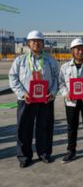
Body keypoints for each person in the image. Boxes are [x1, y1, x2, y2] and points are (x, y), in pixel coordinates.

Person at [9, 30, 59, 168]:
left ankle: (44, 153)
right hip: (26, 100)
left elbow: (57, 77)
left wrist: (53, 92)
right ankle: (24, 156)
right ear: (28, 44)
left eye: (39, 41)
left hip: (46, 100)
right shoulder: (20, 60)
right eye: (33, 41)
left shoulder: (50, 60)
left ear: (43, 44)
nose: (36, 43)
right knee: (24, 128)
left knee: (45, 127)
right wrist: (22, 93)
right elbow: (13, 78)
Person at [59, 38, 83, 163]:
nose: (80, 51)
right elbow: (61, 83)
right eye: (77, 49)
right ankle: (71, 151)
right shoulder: (65, 67)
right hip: (71, 102)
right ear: (72, 51)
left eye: (82, 48)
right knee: (72, 127)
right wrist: (66, 93)